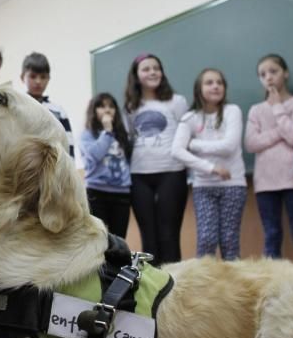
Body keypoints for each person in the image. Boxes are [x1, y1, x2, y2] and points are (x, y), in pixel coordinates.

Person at [244, 54, 293, 266]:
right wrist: (279, 131)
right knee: (272, 235)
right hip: (265, 183)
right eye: (262, 74)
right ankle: (272, 283)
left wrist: (277, 108)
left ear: (285, 73)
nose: (268, 77)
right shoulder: (256, 110)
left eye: (273, 71)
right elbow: (251, 144)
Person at [171, 68, 247, 260]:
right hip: (203, 186)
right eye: (209, 82)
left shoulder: (232, 111)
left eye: (219, 82)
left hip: (233, 184)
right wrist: (211, 168)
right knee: (206, 239)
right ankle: (204, 287)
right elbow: (177, 151)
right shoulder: (190, 117)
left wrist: (195, 144)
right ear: (199, 88)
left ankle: (233, 288)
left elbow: (229, 146)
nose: (215, 86)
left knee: (230, 241)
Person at [124, 53, 189, 264]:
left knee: (169, 235)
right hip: (139, 176)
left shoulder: (176, 101)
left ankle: (174, 288)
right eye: (146, 69)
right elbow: (127, 139)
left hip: (172, 172)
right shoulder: (130, 107)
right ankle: (152, 291)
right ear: (136, 75)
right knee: (149, 238)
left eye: (156, 68)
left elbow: (187, 136)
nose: (153, 72)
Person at [80, 93, 133, 237]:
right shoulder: (88, 134)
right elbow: (95, 155)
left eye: (111, 106)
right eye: (102, 106)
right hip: (97, 194)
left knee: (119, 239)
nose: (107, 110)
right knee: (98, 239)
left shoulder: (122, 135)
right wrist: (107, 131)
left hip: (121, 194)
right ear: (94, 110)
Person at [21, 52, 74, 158]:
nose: (38, 81)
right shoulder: (18, 107)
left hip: (54, 166)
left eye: (43, 77)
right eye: (33, 76)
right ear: (22, 77)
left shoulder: (58, 111)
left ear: (48, 78)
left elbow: (68, 143)